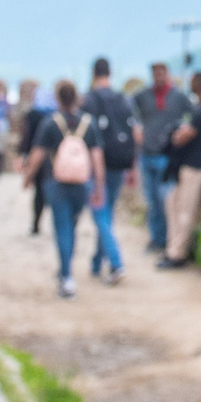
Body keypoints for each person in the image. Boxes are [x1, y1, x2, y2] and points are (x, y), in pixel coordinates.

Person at [24, 79, 101, 299]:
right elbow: (97, 158)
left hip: (56, 183)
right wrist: (99, 185)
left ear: (57, 98)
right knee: (72, 227)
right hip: (81, 184)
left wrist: (28, 177)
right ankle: (66, 270)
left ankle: (66, 276)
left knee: (62, 228)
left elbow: (38, 154)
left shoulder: (50, 123)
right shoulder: (89, 124)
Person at [159, 70, 201, 268]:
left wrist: (179, 134)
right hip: (188, 166)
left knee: (185, 210)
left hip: (196, 167)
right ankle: (172, 248)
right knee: (173, 203)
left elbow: (183, 136)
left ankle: (178, 253)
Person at [85, 58, 140, 272]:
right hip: (119, 162)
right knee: (107, 212)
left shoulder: (89, 100)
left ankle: (116, 262)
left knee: (100, 213)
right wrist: (133, 166)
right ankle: (97, 262)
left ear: (93, 73)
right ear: (111, 73)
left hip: (96, 164)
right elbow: (134, 134)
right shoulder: (124, 100)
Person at [132, 61, 191, 257]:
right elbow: (131, 115)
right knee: (152, 201)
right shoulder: (142, 97)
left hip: (166, 157)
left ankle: (168, 240)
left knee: (166, 200)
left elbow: (192, 117)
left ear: (167, 73)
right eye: (155, 72)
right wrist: (137, 128)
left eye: (161, 72)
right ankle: (156, 238)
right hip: (147, 154)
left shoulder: (179, 97)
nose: (158, 76)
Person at [17, 80, 56, 234]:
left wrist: (24, 156)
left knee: (38, 192)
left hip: (36, 156)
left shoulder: (31, 115)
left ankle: (36, 223)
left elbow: (26, 138)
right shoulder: (56, 115)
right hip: (53, 159)